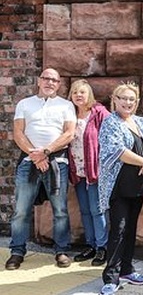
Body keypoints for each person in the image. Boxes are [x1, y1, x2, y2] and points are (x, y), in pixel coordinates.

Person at [7, 68, 76, 271]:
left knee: (60, 210)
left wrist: (45, 151)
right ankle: (17, 251)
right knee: (21, 210)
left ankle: (61, 250)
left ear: (59, 84)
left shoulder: (66, 105)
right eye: (46, 78)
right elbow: (18, 133)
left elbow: (69, 133)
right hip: (29, 161)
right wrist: (35, 155)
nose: (50, 82)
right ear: (39, 81)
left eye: (54, 80)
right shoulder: (24, 104)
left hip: (57, 163)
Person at [96, 83, 143, 295]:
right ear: (115, 100)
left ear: (137, 102)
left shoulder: (140, 121)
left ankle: (126, 269)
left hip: (138, 186)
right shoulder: (110, 122)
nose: (128, 102)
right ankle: (111, 277)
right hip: (118, 187)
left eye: (132, 99)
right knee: (119, 229)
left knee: (131, 228)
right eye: (123, 98)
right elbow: (118, 151)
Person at [68, 79, 110, 266]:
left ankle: (103, 247)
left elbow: (111, 136)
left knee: (97, 210)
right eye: (75, 92)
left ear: (89, 94)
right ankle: (91, 245)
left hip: (95, 171)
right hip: (77, 170)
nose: (78, 95)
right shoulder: (69, 114)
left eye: (82, 92)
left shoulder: (99, 113)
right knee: (85, 210)